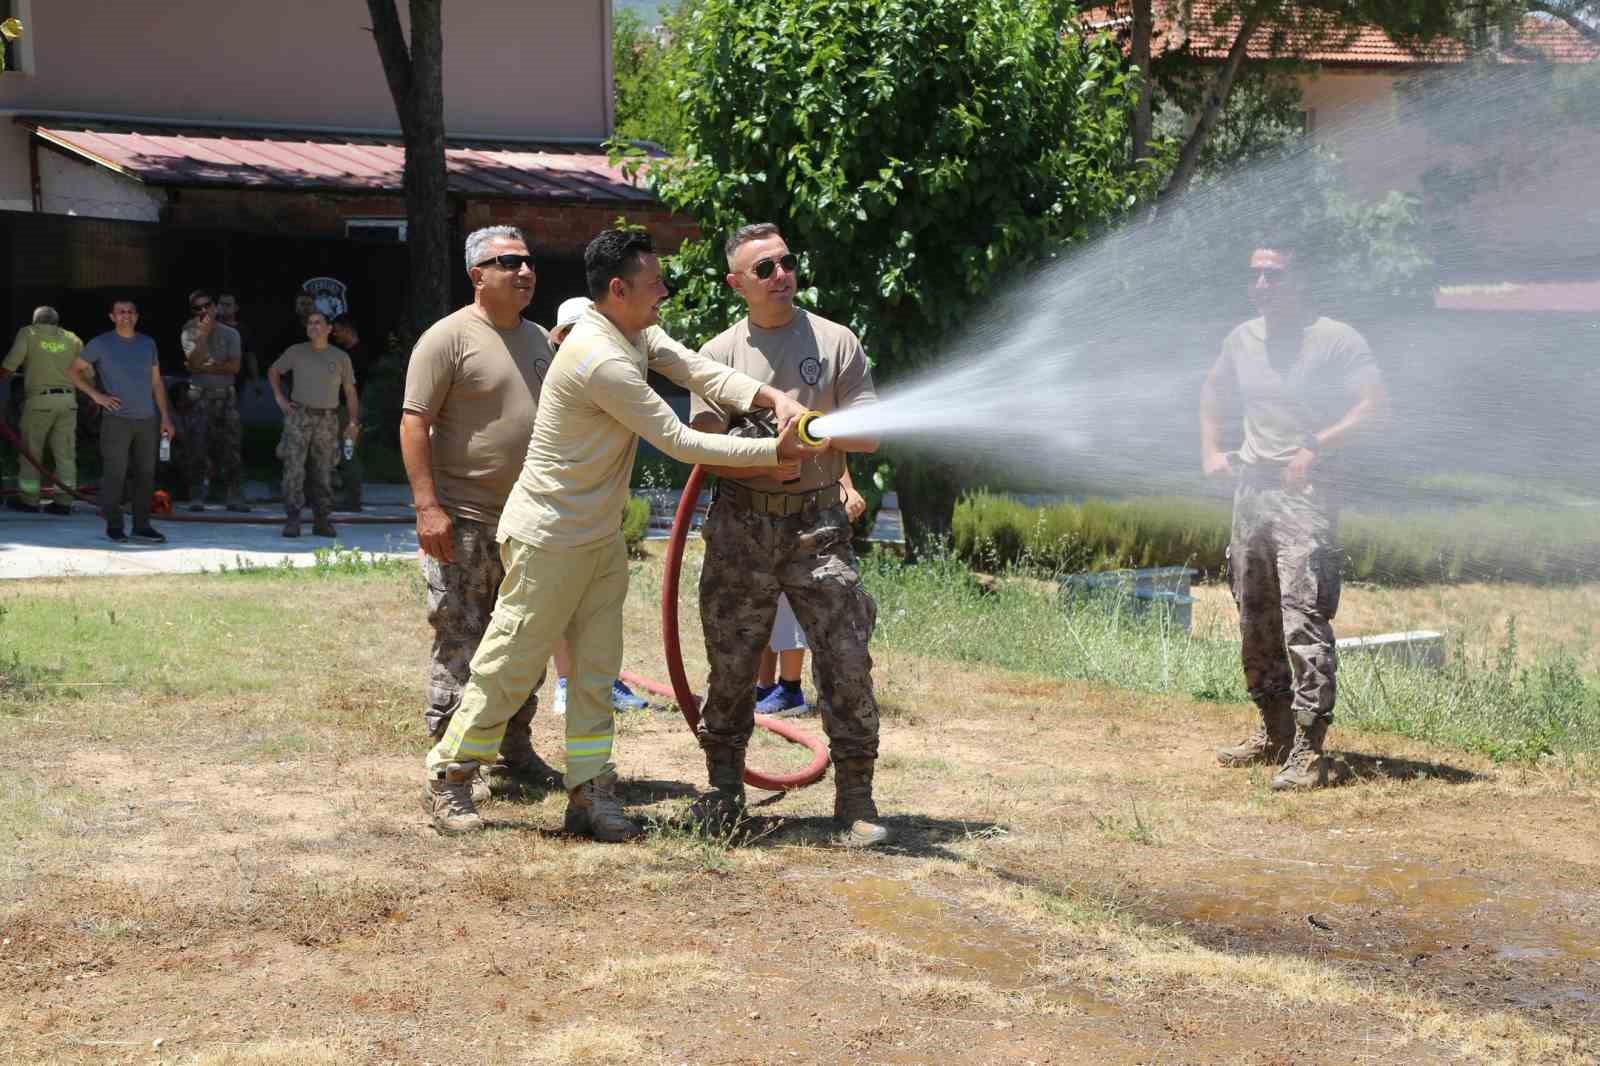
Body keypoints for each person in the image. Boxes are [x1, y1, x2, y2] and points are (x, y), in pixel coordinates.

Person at [421, 228, 817, 839]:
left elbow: (694, 367)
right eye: (654, 282)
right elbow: (678, 440)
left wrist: (769, 397)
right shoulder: (599, 359)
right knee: (510, 659)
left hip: (598, 535)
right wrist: (772, 449)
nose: (664, 290)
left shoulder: (630, 330)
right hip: (550, 535)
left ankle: (590, 790)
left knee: (597, 667)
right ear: (617, 289)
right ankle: (451, 774)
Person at [687, 222, 888, 847]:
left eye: (786, 263)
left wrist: (815, 432)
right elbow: (700, 444)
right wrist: (757, 454)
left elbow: (872, 431)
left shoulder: (834, 341)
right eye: (765, 269)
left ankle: (855, 799)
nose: (782, 276)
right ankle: (723, 793)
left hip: (817, 524)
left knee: (846, 656)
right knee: (731, 662)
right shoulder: (718, 354)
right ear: (736, 284)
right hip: (740, 525)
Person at [1200, 243, 1387, 791]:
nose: (1261, 284)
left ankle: (1309, 746)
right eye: (1255, 274)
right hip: (1251, 493)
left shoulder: (1336, 340)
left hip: (1307, 495)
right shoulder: (1242, 339)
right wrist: (1211, 451)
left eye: (1274, 274)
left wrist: (1316, 446)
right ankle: (1274, 729)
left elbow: (1375, 408)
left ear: (1300, 279)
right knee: (1253, 612)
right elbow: (1212, 389)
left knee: (1303, 616)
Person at [401, 226, 566, 806]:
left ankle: (514, 751)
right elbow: (413, 422)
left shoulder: (542, 341)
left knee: (522, 642)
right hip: (464, 523)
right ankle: (450, 777)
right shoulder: (447, 338)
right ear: (478, 275)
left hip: (529, 525)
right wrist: (427, 508)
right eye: (509, 262)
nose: (525, 271)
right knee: (462, 647)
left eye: (528, 261)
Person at [544, 294, 651, 718]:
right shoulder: (563, 380)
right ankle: (569, 685)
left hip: (599, 510)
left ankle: (601, 680)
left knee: (599, 605)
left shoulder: (608, 375)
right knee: (561, 603)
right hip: (561, 511)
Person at [68, 298, 174, 544]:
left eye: (130, 312)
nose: (126, 315)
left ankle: (142, 526)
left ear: (136, 316)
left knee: (146, 474)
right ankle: (114, 526)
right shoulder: (101, 343)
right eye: (120, 312)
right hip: (117, 420)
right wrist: (97, 395)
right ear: (112, 317)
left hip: (147, 419)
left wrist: (165, 417)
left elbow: (156, 383)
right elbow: (71, 370)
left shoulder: (148, 344)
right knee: (115, 474)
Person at [268, 311, 359, 538]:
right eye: (310, 323)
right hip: (299, 415)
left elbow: (350, 391)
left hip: (328, 418)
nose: (313, 327)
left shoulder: (340, 357)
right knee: (293, 469)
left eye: (318, 323)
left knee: (324, 471)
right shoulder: (296, 352)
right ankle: (293, 518)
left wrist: (353, 421)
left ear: (329, 329)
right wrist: (279, 397)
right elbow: (273, 371)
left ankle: (322, 519)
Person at [1, 307, 84, 514]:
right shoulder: (72, 339)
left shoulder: (28, 333)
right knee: (65, 454)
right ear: (57, 322)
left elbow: (11, 363)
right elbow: (87, 372)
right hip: (68, 401)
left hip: (40, 402)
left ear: (35, 321)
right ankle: (63, 502)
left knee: (31, 453)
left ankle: (29, 500)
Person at [179, 289, 247, 512]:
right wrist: (203, 336)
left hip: (226, 397)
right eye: (197, 308)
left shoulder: (231, 334)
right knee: (196, 447)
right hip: (199, 397)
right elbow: (195, 362)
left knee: (231, 448)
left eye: (207, 305)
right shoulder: (188, 331)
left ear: (215, 306)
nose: (203, 311)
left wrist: (208, 366)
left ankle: (234, 494)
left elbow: (234, 367)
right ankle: (197, 494)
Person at [328, 315, 367, 511]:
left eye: (337, 330)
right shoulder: (347, 353)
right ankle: (348, 496)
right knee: (343, 453)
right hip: (344, 408)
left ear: (348, 329)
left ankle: (353, 499)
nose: (334, 334)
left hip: (350, 410)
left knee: (349, 453)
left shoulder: (356, 355)